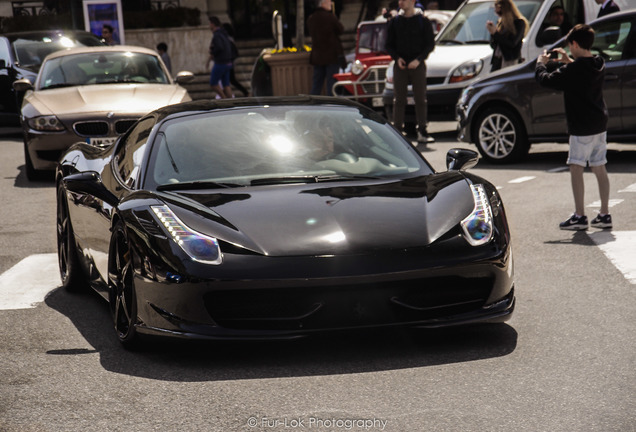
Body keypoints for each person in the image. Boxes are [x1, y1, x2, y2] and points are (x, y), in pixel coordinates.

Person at [535, 24, 612, 231]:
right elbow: (581, 70)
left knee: (576, 167)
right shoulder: (598, 62)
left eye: (570, 46)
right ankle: (604, 214)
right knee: (599, 166)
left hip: (581, 126)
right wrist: (568, 61)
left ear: (575, 44)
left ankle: (579, 216)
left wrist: (541, 64)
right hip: (599, 123)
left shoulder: (573, 70)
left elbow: (545, 80)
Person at [385, 0, 436, 144]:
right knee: (398, 99)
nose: (401, 2)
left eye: (404, 0)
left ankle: (422, 131)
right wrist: (397, 58)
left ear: (413, 1)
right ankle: (398, 133)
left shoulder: (423, 21)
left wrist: (419, 59)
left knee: (420, 99)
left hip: (417, 64)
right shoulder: (395, 21)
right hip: (400, 65)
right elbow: (388, 45)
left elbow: (430, 44)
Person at [307, 0, 345, 96]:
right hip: (331, 55)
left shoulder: (312, 18)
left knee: (317, 83)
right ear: (323, 3)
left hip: (318, 56)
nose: (331, 3)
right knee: (331, 84)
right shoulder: (330, 17)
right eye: (328, 1)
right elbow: (340, 29)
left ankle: (314, 103)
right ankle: (331, 104)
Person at [486, 0, 528, 72]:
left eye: (499, 12)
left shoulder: (519, 23)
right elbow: (494, 45)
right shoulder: (500, 23)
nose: (498, 15)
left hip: (510, 61)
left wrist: (495, 33)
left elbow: (512, 43)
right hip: (497, 61)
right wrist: (492, 33)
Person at [206, 16, 233, 99]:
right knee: (226, 85)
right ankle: (231, 101)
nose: (209, 26)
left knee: (213, 83)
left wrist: (212, 52)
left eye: (209, 24)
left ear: (212, 24)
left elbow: (219, 47)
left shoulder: (217, 35)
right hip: (228, 62)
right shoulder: (223, 33)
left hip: (221, 62)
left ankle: (224, 100)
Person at [222, 23, 249, 97]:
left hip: (228, 62)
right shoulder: (229, 38)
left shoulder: (227, 39)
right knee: (229, 80)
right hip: (229, 62)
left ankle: (244, 92)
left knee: (229, 80)